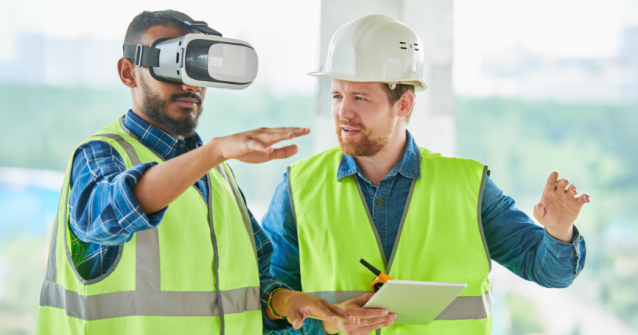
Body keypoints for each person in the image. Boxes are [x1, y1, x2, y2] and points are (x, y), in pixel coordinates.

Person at [262, 15, 590, 335]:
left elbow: (549, 271)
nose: (343, 111)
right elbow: (270, 311)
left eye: (360, 97)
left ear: (403, 104)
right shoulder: (299, 186)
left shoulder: (468, 186)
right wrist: (327, 326)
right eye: (337, 95)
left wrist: (559, 230)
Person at [35, 10, 356, 335]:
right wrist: (214, 152)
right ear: (128, 72)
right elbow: (108, 217)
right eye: (171, 66)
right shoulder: (102, 155)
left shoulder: (217, 174)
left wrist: (286, 302)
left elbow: (254, 283)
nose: (190, 84)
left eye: (197, 68)